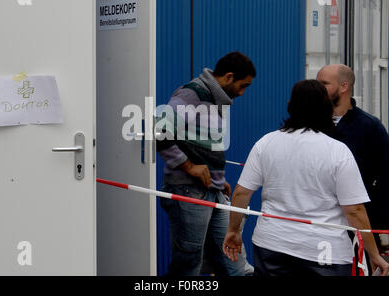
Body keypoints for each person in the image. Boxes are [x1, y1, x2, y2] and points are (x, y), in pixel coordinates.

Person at [222, 79, 389, 276]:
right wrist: (373, 253)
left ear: (291, 107)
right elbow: (354, 210)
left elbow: (242, 193)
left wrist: (234, 231)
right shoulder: (338, 151)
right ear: (327, 109)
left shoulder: (266, 143)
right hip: (324, 251)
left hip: (271, 244)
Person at [157, 51, 256, 276]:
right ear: (229, 77)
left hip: (213, 192)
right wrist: (188, 166)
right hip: (189, 191)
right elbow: (159, 131)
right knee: (188, 267)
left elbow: (203, 144)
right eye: (243, 85)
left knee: (234, 264)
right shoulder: (193, 94)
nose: (242, 93)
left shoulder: (214, 97)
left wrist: (219, 180)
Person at [317, 65, 389, 257]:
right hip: (315, 224)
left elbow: (384, 178)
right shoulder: (309, 124)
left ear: (344, 86)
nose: (317, 88)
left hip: (355, 226)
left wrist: (378, 230)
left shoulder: (370, 127)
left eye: (323, 83)